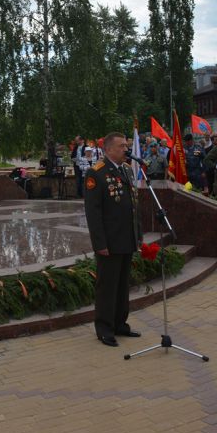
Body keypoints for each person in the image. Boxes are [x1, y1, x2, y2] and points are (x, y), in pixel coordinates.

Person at [84, 132, 142, 347]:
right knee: (107, 287)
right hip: (109, 241)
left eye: (126, 145)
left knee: (122, 285)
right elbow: (93, 213)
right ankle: (104, 328)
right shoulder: (96, 173)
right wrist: (100, 244)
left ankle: (120, 324)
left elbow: (134, 207)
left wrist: (138, 235)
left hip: (127, 238)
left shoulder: (127, 170)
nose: (126, 149)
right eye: (121, 146)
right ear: (108, 149)